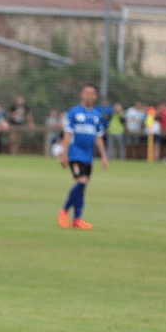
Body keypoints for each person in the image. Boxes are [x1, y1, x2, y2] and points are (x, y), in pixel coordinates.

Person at [57, 83, 108, 230]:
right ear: (81, 94)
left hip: (88, 156)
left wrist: (104, 156)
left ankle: (77, 220)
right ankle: (64, 210)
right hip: (75, 153)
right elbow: (67, 134)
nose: (89, 96)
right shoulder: (73, 112)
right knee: (81, 181)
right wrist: (64, 154)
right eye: (86, 93)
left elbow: (99, 137)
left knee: (82, 187)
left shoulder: (97, 114)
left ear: (95, 96)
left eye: (92, 93)